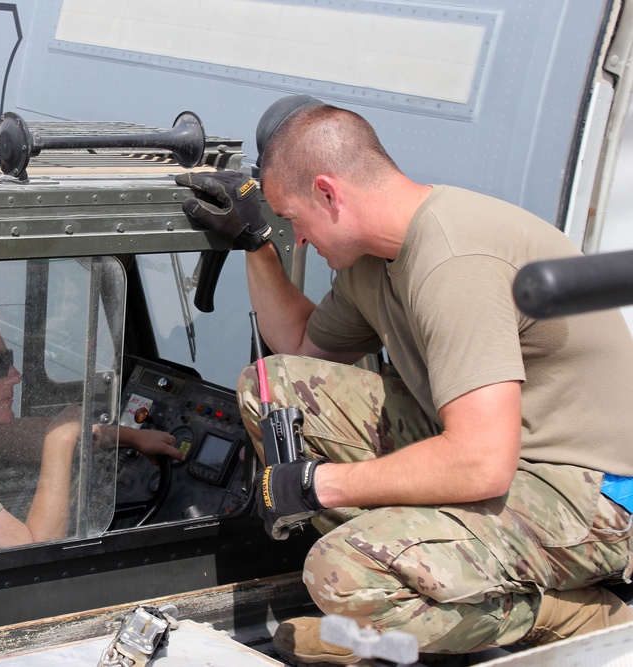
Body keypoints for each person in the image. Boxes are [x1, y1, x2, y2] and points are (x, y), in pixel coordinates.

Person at [175, 96, 633, 663]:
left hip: (593, 494)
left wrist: (319, 484)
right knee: (274, 389)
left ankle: (572, 614)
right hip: (505, 457)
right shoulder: (375, 259)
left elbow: (481, 462)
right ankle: (402, 586)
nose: (304, 240)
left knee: (339, 572)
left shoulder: (453, 261)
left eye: (294, 220)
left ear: (328, 193)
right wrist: (255, 243)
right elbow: (296, 345)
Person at [0, 302, 182, 556]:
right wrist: (61, 440)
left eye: (9, 358)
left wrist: (132, 437)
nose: (15, 375)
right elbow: (34, 556)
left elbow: (21, 436)